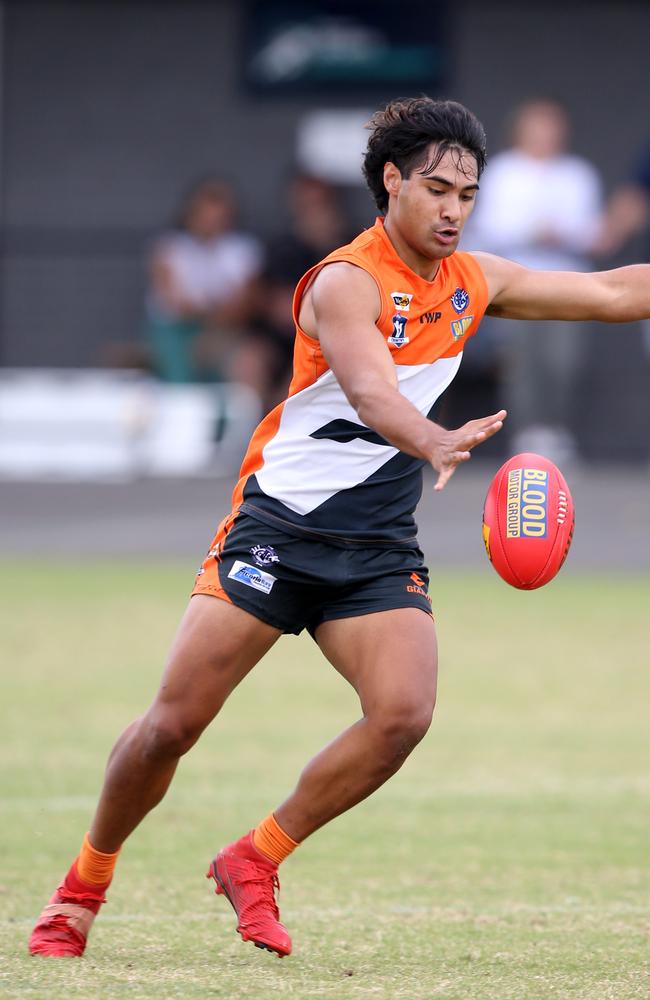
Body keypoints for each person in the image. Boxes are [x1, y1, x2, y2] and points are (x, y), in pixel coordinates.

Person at [29, 97, 650, 960]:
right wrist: (431, 436)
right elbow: (369, 389)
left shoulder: (474, 280)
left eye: (467, 195)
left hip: (376, 548)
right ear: (391, 182)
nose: (452, 210)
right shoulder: (343, 280)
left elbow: (618, 290)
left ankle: (254, 857)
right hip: (277, 530)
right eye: (436, 188)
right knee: (172, 726)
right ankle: (81, 886)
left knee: (403, 714)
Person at [466, 98, 602, 463]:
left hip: (569, 284)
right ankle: (526, 434)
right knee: (520, 362)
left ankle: (555, 431)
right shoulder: (502, 172)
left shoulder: (578, 174)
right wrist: (532, 230)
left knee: (564, 360)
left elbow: (591, 232)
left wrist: (563, 233)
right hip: (515, 284)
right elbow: (488, 228)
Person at [146, 177, 264, 384]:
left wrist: (211, 315)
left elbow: (246, 305)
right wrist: (215, 310)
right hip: (174, 332)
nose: (212, 222)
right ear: (191, 214)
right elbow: (175, 304)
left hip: (225, 331)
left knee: (250, 360)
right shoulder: (170, 248)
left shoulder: (242, 249)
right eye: (206, 215)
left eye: (219, 216)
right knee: (179, 366)